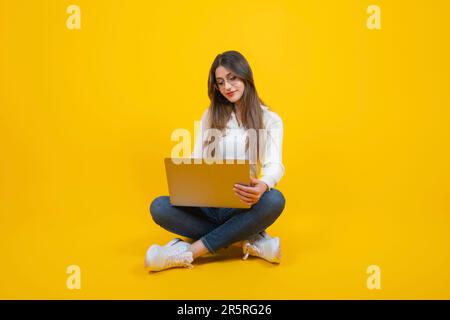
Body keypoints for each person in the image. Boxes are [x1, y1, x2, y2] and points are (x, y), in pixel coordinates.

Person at [145, 50, 286, 272]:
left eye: (232, 78)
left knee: (275, 200)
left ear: (245, 76)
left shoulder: (270, 119)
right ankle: (248, 238)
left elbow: (274, 164)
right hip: (208, 203)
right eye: (220, 82)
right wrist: (187, 183)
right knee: (160, 207)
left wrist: (263, 184)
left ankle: (189, 252)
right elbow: (197, 158)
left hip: (242, 204)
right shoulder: (211, 114)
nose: (227, 87)